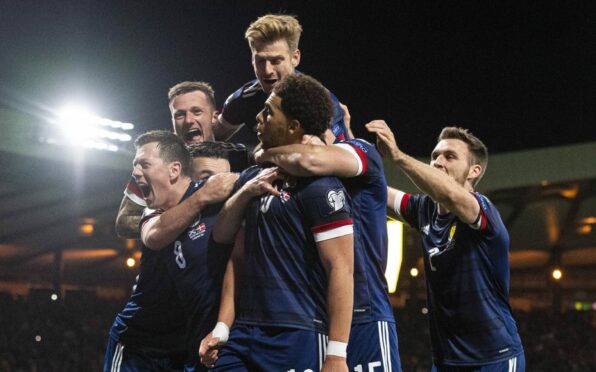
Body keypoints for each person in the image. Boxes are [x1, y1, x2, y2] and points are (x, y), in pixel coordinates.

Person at [204, 74, 355, 371]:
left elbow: (341, 268)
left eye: (269, 112)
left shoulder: (320, 186)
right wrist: (222, 328)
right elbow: (235, 254)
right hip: (243, 332)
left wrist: (337, 353)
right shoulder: (251, 178)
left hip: (296, 333)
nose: (258, 117)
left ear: (294, 126)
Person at [251, 105, 401, 371]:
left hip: (366, 312)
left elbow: (312, 159)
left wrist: (264, 153)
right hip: (320, 318)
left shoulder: (360, 150)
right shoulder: (294, 176)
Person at [366, 120, 525, 372]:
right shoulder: (424, 209)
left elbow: (450, 195)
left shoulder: (482, 210)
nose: (438, 161)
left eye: (450, 156)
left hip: (494, 358)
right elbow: (373, 190)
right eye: (435, 156)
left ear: (473, 171)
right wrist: (347, 148)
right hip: (446, 361)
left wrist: (397, 156)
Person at [104, 132, 237, 372]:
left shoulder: (229, 210)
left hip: (185, 347)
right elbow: (149, 235)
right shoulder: (156, 211)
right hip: (139, 341)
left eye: (143, 164)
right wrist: (204, 195)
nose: (215, 182)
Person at [115, 82, 248, 239]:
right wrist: (179, 218)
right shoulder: (156, 165)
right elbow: (124, 222)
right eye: (179, 115)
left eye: (196, 111)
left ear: (214, 117)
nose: (188, 120)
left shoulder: (241, 157)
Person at [214, 14, 351, 151]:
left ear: (295, 58)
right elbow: (213, 136)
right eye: (260, 61)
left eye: (276, 61)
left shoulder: (320, 102)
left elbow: (332, 157)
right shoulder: (244, 98)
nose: (267, 70)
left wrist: (260, 155)